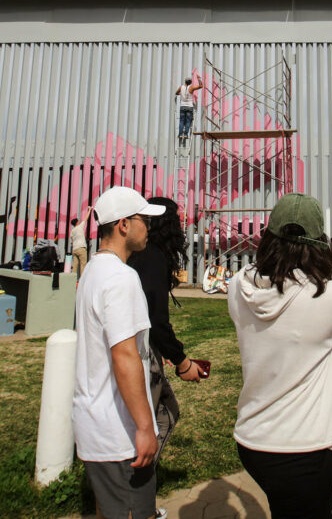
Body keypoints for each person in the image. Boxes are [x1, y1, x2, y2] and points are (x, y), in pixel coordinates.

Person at [228, 193, 332, 519]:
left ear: (269, 237)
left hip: (253, 437)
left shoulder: (238, 286)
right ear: (319, 243)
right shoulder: (330, 294)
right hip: (303, 445)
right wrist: (328, 270)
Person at [72, 186, 167, 519]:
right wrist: (145, 427)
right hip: (119, 434)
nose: (149, 228)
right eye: (144, 220)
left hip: (94, 424)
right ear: (124, 225)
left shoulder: (93, 271)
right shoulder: (121, 278)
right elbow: (124, 356)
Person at [127, 196, 206, 508]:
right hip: (142, 355)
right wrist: (182, 361)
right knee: (157, 418)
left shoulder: (140, 256)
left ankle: (134, 487)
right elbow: (156, 321)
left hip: (143, 350)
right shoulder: (154, 258)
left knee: (167, 411)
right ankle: (133, 495)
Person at [174, 76, 203, 147]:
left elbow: (176, 93)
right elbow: (201, 86)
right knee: (188, 121)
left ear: (185, 81)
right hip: (189, 107)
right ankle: (186, 134)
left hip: (182, 106)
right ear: (190, 82)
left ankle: (180, 134)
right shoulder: (191, 87)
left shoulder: (181, 87)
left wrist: (181, 94)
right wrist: (199, 79)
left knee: (181, 121)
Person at [69, 207, 92, 278]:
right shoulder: (80, 226)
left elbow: (72, 241)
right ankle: (82, 280)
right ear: (77, 222)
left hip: (75, 249)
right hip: (81, 248)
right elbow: (86, 218)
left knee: (75, 266)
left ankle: (72, 280)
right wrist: (89, 210)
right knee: (83, 264)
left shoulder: (72, 231)